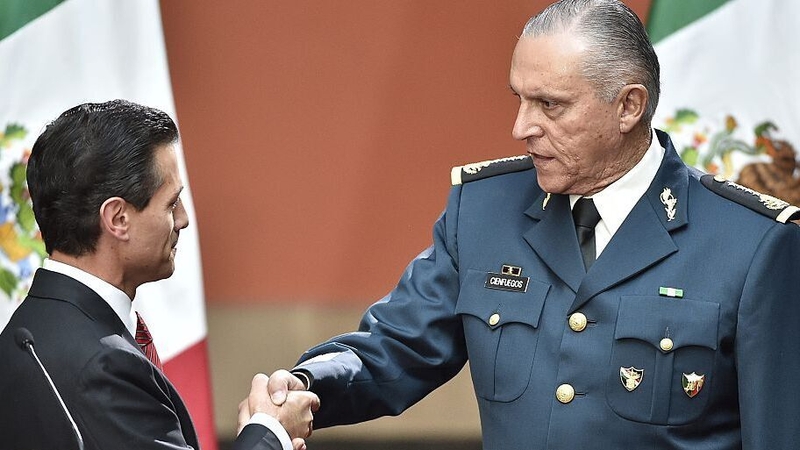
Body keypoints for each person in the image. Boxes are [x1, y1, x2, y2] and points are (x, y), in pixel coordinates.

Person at [261, 0, 800, 449]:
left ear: (629, 107)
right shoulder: (483, 211)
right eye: (519, 99)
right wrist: (307, 385)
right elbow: (397, 346)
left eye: (550, 105)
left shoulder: (752, 245)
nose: (522, 127)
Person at [0, 100, 319, 450]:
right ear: (118, 219)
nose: (183, 219)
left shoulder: (31, 330)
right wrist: (271, 432)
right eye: (171, 203)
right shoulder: (102, 365)